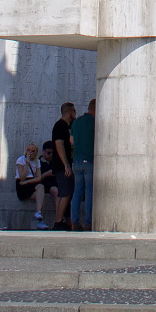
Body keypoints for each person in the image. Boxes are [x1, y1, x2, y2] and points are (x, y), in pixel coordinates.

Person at [70, 99, 95, 231]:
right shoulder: (94, 121)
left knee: (77, 191)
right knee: (89, 191)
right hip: (89, 160)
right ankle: (88, 222)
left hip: (76, 161)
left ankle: (74, 221)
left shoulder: (76, 122)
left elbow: (71, 141)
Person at [50, 102, 76, 229]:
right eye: (74, 112)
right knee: (66, 192)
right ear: (69, 113)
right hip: (61, 166)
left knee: (64, 192)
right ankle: (58, 221)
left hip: (63, 165)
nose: (75, 114)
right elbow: (59, 145)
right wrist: (66, 164)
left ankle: (63, 220)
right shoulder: (60, 126)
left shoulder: (66, 126)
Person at [15, 143, 48, 229]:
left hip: (30, 182)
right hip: (22, 184)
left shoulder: (37, 161)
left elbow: (39, 178)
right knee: (40, 190)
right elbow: (22, 178)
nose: (30, 152)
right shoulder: (21, 160)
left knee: (41, 192)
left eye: (32, 151)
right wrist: (27, 164)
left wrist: (28, 182)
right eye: (28, 150)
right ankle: (39, 216)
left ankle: (39, 215)